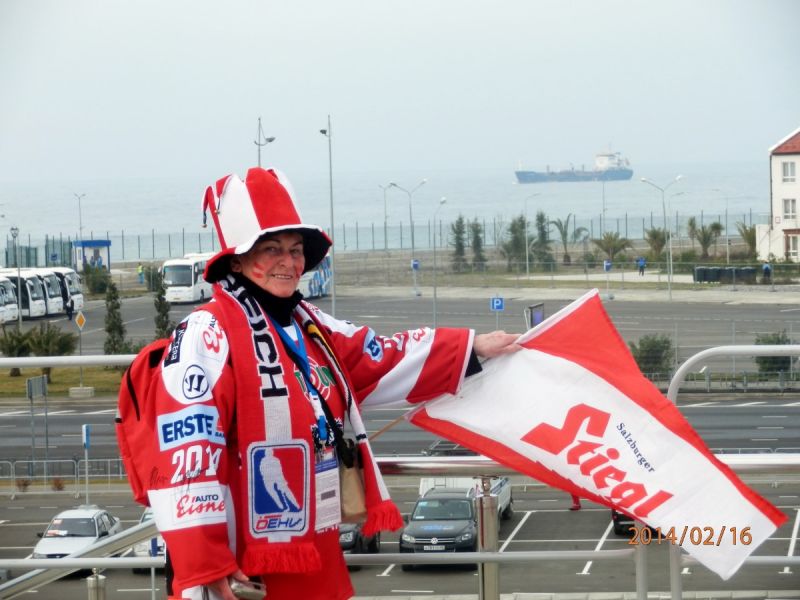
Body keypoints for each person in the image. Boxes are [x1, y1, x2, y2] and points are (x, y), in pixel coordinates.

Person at [137, 167, 520, 600]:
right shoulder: (206, 332)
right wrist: (206, 564)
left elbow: (381, 357)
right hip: (240, 564)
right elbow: (186, 455)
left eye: (296, 250)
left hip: (314, 547)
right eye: (272, 249)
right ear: (237, 261)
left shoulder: (310, 324)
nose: (289, 263)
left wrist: (471, 347)